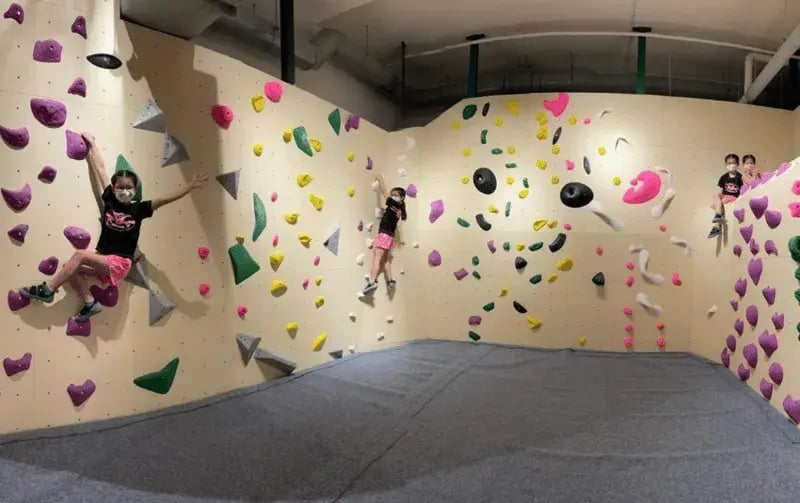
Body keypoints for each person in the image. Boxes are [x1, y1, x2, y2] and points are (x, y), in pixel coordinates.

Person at [19, 133, 209, 321]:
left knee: (79, 255)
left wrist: (190, 186)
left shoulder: (139, 209)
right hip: (104, 259)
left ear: (134, 190)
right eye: (120, 187)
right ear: (114, 188)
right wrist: (92, 145)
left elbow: (165, 199)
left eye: (129, 187)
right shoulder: (110, 199)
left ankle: (48, 290)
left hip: (120, 262)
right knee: (69, 267)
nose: (125, 191)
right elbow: (101, 170)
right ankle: (90, 302)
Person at [362, 174, 407, 295]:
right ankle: (390, 281)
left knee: (377, 259)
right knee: (386, 260)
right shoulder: (400, 209)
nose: (392, 196)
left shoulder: (393, 204)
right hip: (390, 237)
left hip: (384, 234)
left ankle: (372, 281)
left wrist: (380, 179)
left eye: (395, 195)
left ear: (402, 197)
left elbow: (384, 191)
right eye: (392, 195)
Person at [708, 153, 743, 239]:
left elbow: (742, 192)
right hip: (725, 196)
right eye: (729, 163)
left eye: (733, 163)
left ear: (737, 164)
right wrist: (716, 202)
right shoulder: (723, 177)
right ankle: (718, 215)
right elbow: (720, 192)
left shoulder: (740, 177)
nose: (731, 165)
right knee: (716, 195)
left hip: (734, 198)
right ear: (726, 164)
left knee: (722, 201)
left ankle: (716, 226)